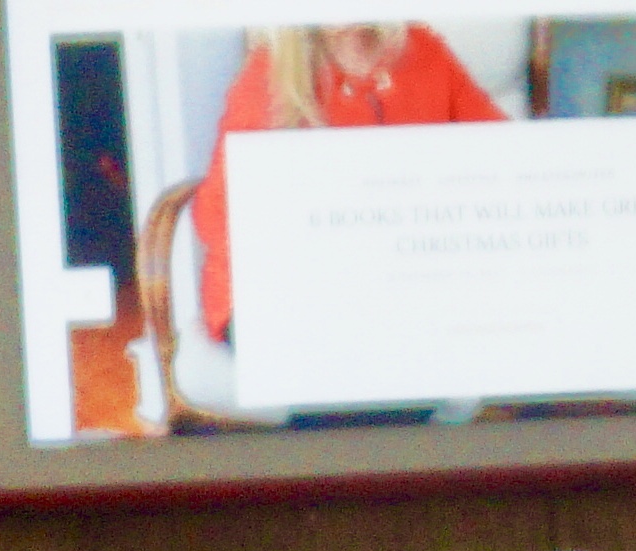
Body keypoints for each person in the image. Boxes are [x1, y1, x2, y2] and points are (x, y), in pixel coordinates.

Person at [189, 23, 504, 344]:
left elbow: (503, 156)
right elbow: (216, 214)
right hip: (285, 288)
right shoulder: (270, 72)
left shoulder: (423, 49)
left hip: (405, 278)